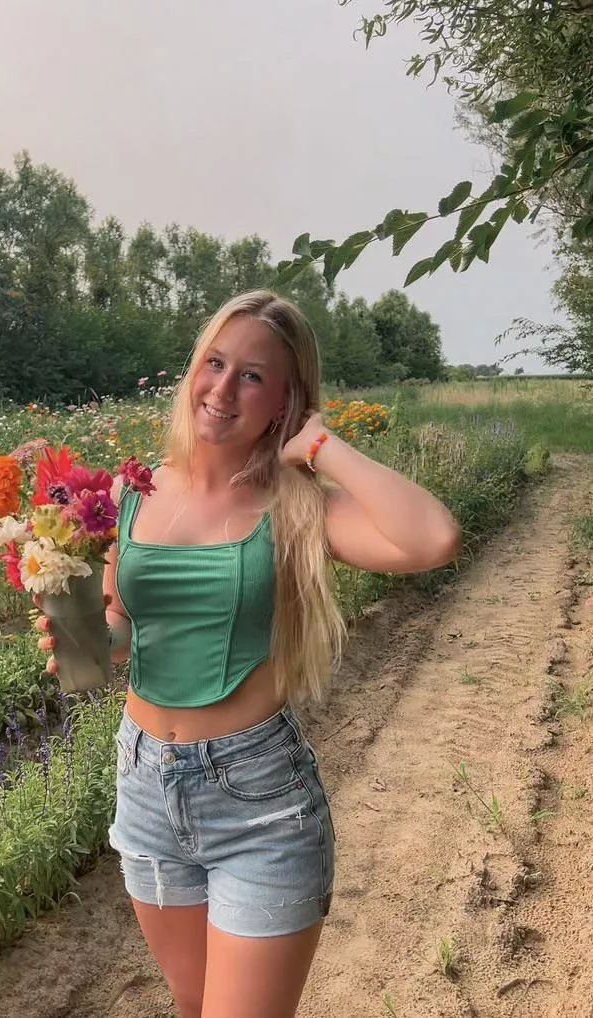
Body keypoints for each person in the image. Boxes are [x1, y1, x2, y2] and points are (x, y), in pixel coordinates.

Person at [36, 290, 461, 1018]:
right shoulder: (127, 495)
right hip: (144, 787)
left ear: (287, 401)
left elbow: (433, 540)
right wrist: (81, 637)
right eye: (216, 363)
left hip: (257, 802)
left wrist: (323, 448)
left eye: (254, 377)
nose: (223, 389)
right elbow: (123, 626)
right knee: (194, 1005)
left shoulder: (297, 509)